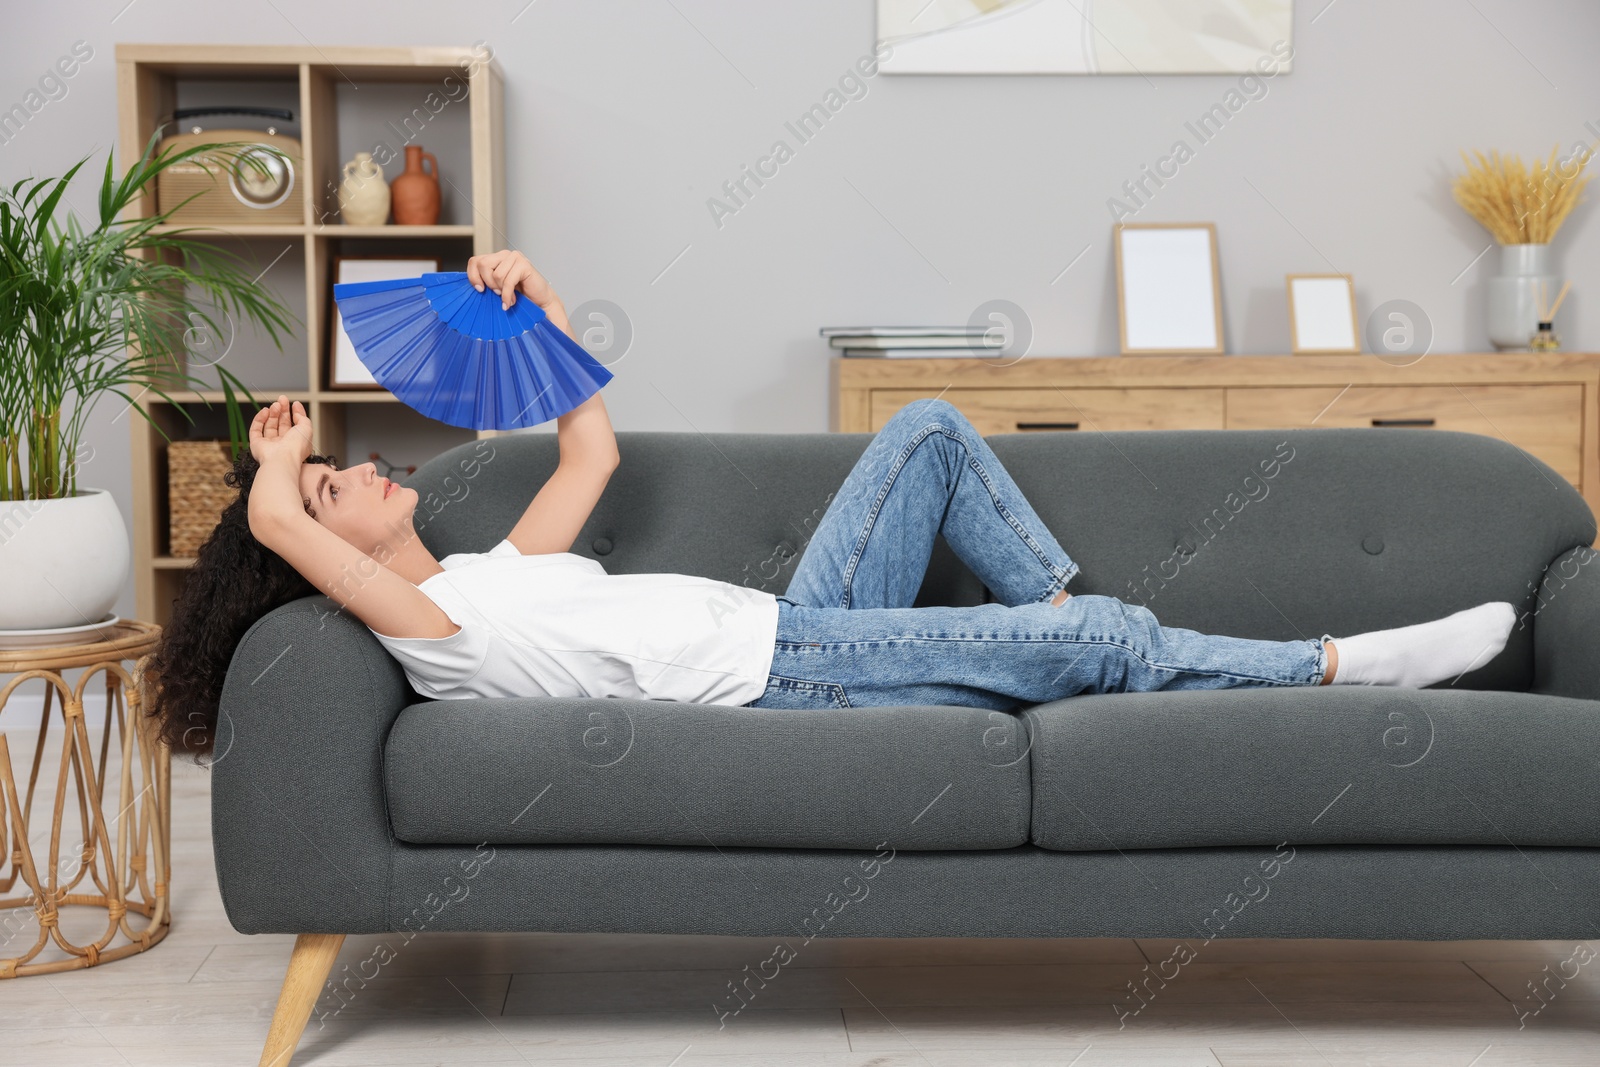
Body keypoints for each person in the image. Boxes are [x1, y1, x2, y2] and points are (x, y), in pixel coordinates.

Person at [143, 250, 1517, 759]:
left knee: (921, 426)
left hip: (791, 624)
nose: (376, 473)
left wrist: (548, 312)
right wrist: (276, 464)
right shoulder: (424, 628)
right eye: (346, 489)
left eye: (351, 471)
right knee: (1105, 640)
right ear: (328, 547)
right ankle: (1335, 665)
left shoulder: (485, 573)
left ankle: (1057, 629)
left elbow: (591, 462)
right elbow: (272, 529)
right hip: (788, 680)